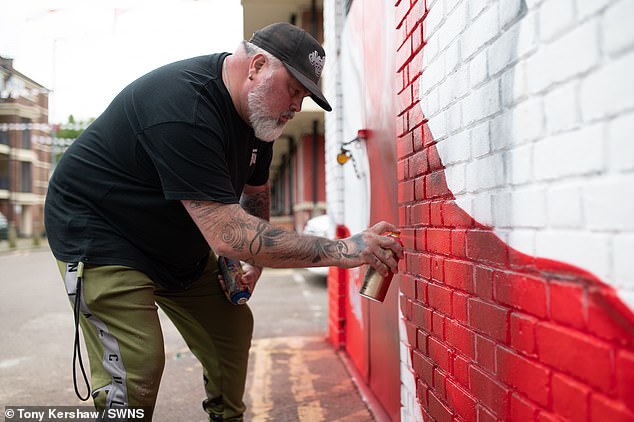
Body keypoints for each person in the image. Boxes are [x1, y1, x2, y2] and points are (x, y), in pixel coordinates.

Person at [44, 22, 402, 421]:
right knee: (138, 364)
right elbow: (229, 234)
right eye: (295, 90)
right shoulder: (185, 108)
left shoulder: (260, 119)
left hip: (177, 235)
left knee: (230, 330)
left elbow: (255, 193)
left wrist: (254, 261)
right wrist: (343, 249)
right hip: (104, 233)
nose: (297, 107)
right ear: (258, 66)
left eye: (305, 97)